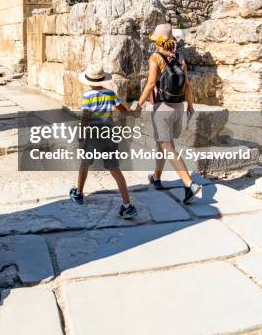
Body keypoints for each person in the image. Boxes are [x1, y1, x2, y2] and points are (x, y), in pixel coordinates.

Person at [132, 23, 201, 204]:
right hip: (179, 106)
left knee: (168, 148)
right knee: (161, 143)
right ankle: (156, 176)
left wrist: (138, 105)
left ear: (159, 42)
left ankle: (189, 184)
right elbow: (187, 85)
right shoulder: (180, 58)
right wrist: (191, 106)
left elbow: (150, 83)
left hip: (162, 108)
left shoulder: (156, 58)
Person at [69, 64, 138, 219]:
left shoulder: (87, 96)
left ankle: (78, 193)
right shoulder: (111, 94)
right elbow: (123, 110)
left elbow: (85, 118)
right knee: (115, 169)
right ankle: (127, 205)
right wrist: (134, 112)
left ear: (88, 81)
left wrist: (81, 138)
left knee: (85, 164)